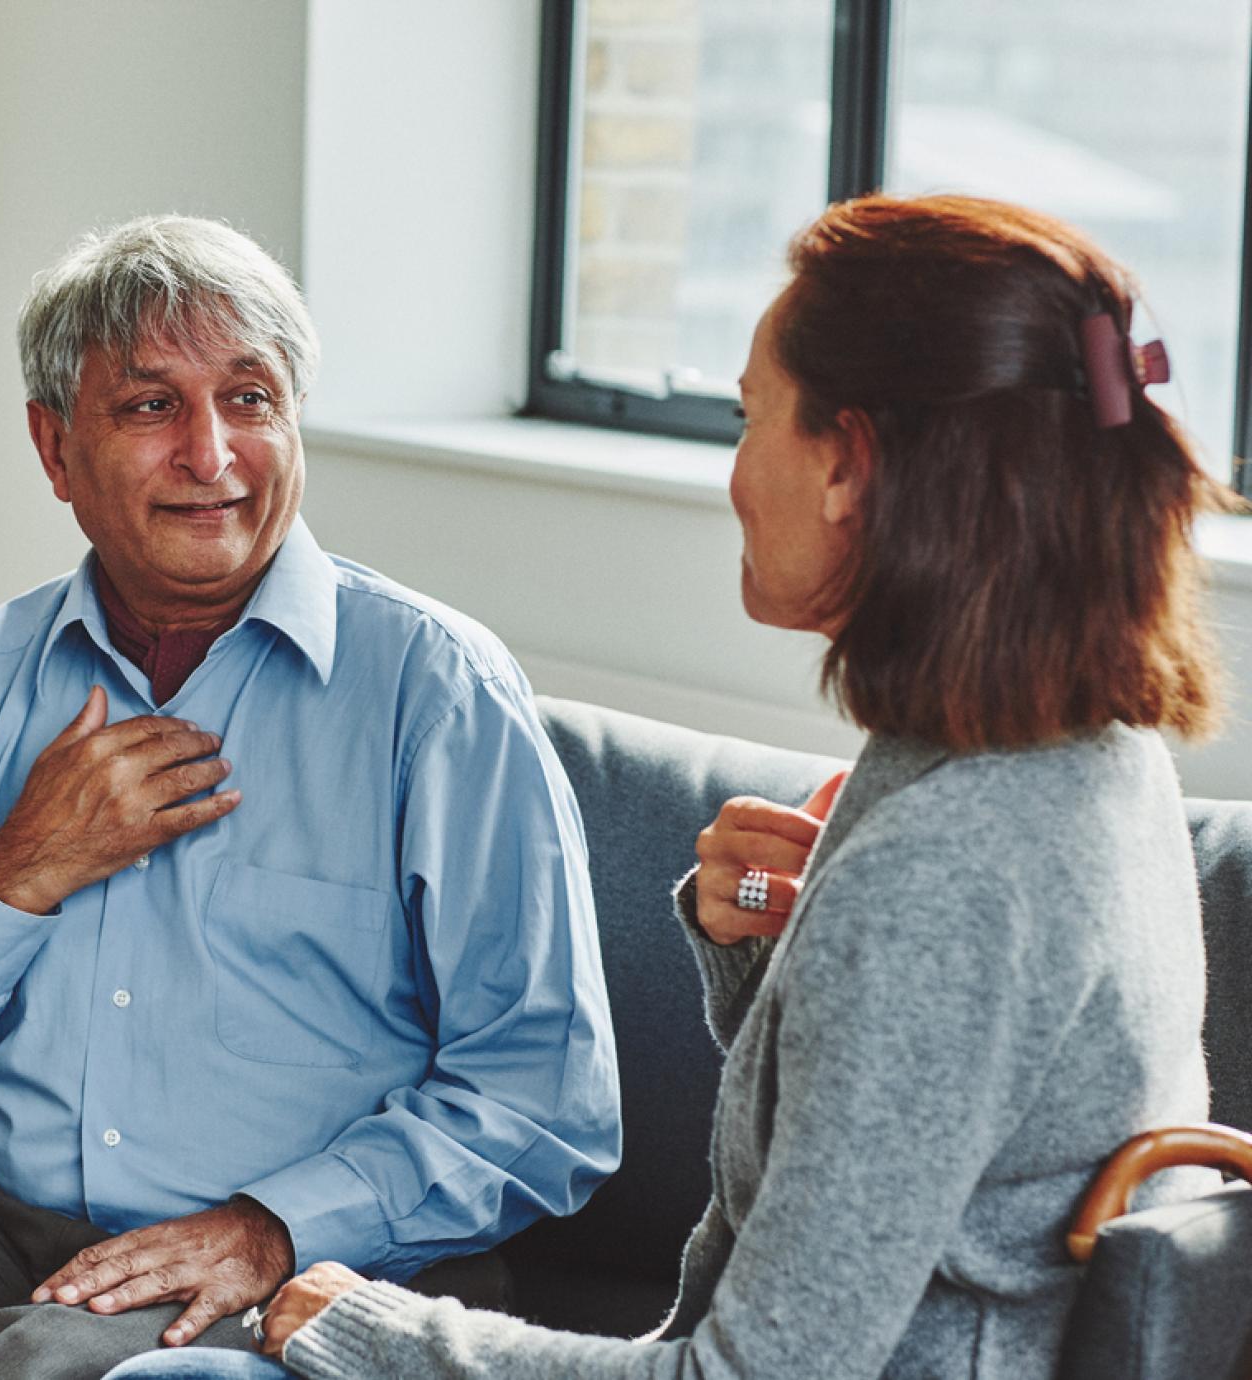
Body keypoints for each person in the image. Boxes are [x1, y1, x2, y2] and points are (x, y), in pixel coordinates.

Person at [111, 193, 1228, 1380]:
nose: (734, 475)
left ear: (847, 463)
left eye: (750, 420)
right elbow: (905, 1158)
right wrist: (756, 954)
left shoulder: (945, 867)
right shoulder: (1080, 761)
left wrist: (365, 1326)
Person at [0, 215, 620, 1380]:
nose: (211, 453)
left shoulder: (433, 693)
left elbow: (546, 1103)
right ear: (53, 448)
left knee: (12, 1370)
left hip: (309, 1257)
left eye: (249, 398)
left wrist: (274, 1226)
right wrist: (12, 884)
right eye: (149, 407)